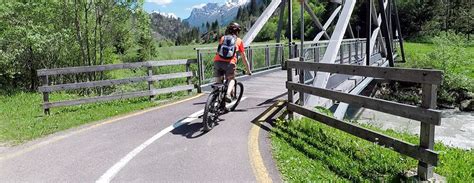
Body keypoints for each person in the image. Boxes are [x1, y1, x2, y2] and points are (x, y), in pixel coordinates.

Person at [213, 22, 252, 102]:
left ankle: (215, 98)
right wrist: (248, 70)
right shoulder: (239, 41)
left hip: (217, 62)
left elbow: (218, 51)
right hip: (230, 63)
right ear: (237, 32)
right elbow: (244, 57)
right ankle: (227, 94)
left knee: (218, 82)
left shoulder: (223, 38)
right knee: (232, 79)